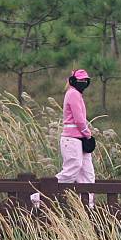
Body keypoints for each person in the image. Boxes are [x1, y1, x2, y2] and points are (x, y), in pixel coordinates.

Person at [31, 69, 95, 207]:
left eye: (85, 81)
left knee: (87, 173)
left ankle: (88, 205)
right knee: (72, 169)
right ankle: (38, 196)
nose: (83, 83)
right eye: (81, 80)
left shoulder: (76, 94)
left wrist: (86, 136)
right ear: (73, 81)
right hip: (72, 139)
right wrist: (88, 134)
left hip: (80, 139)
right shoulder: (73, 94)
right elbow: (79, 119)